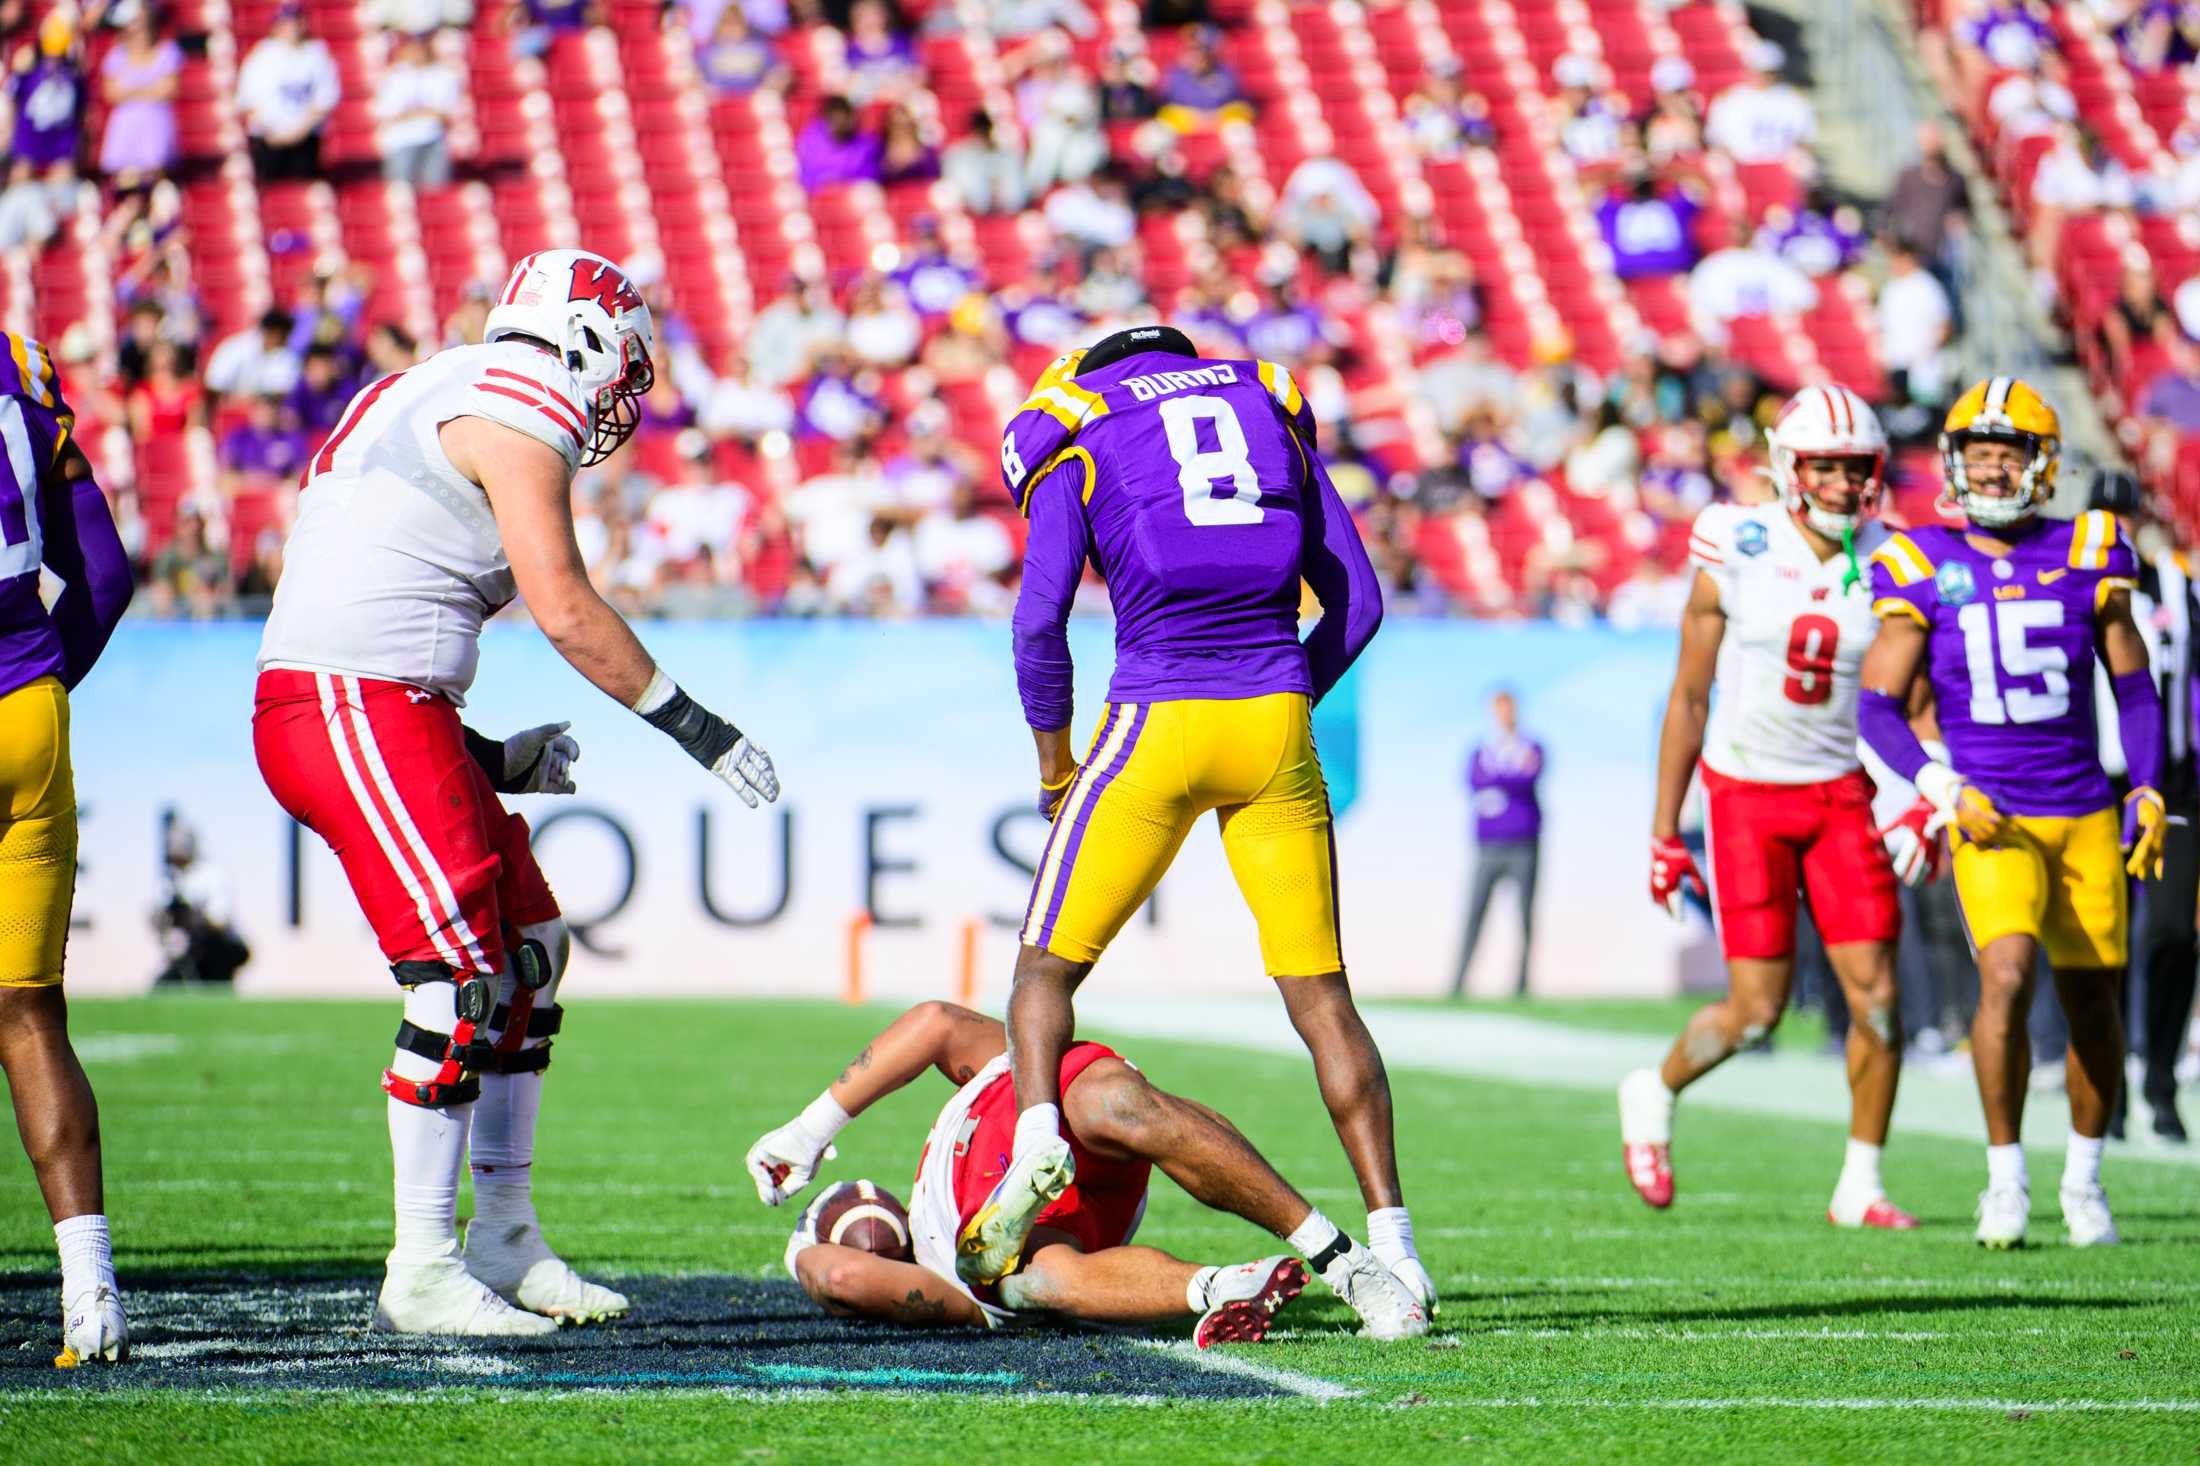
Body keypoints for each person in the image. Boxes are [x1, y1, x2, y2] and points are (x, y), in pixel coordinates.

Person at [250, 249, 783, 1334]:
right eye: (623, 371)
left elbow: (383, 593)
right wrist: (701, 728)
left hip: (387, 707)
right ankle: (424, 1263)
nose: (621, 401)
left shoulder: (436, 381)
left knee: (531, 946)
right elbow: (566, 606)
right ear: (584, 343)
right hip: (350, 704)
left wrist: (490, 760)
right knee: (456, 979)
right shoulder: (521, 398)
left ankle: (503, 1229)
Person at [976, 326, 1429, 1340]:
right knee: (1321, 997)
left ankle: (1038, 1136)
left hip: (1156, 717)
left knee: (1043, 972)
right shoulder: (1265, 397)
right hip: (1271, 714)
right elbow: (1355, 602)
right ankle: (1396, 1242)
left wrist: (1055, 765)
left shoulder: (1077, 422)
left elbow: (1038, 618)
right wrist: (1272, 693)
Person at [1857, 378, 2165, 1249]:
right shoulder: (1921, 562)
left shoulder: (2091, 549)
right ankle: (2005, 1179)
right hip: (1990, 812)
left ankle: (2084, 1177)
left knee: (2094, 1001)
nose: (1990, 470)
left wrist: (2146, 786)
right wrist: (1942, 787)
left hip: (2082, 811)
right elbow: (1877, 706)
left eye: (2007, 453)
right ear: (1953, 462)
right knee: (2005, 976)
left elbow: (2133, 686)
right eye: (1977, 453)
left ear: (2042, 463)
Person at [1620, 386, 1927, 1231]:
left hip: (1842, 792)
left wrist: (1918, 792)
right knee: (1757, 1011)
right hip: (1747, 790)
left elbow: (1916, 696)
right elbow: (1689, 695)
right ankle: (1656, 1087)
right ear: (1790, 469)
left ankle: (1860, 1182)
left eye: (1853, 468)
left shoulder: (1897, 555)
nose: (1838, 485)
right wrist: (1662, 830)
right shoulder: (1736, 541)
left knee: (1879, 1000)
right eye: (1823, 467)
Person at [746, 1001, 1407, 1343]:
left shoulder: (940, 1174)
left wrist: (808, 1139)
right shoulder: (936, 1282)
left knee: (1039, 1276)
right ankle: (1226, 1286)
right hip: (1028, 1228)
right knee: (1038, 1281)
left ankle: (1266, 1269)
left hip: (1037, 1102)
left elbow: (936, 1025)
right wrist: (806, 1230)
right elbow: (840, 1271)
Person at [0, 331, 137, 1366]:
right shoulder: (22, 363)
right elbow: (105, 572)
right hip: (27, 710)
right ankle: (90, 1296)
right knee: (32, 1014)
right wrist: (46, 686)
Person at [1450, 688, 1544, 998]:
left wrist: (1498, 778)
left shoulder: (1531, 747)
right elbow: (1474, 781)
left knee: (1525, 915)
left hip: (1523, 843)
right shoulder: (1483, 751)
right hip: (1489, 844)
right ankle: (1459, 982)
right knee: (1475, 912)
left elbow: (1527, 780)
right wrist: (1509, 775)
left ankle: (1521, 984)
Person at [237, 3, 340, 183]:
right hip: (268, 139)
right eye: (287, 22)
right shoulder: (261, 55)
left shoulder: (317, 54)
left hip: (305, 139)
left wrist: (298, 132)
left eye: (296, 21)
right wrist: (272, 131)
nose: (292, 27)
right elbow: (247, 101)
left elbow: (325, 99)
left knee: (303, 192)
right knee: (270, 193)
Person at [151, 813, 250, 988]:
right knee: (162, 989)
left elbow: (220, 921)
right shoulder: (171, 879)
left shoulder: (211, 875)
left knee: (215, 983)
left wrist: (192, 914)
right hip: (187, 953)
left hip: (220, 949)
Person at [373, 31, 461, 187]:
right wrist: (423, 112)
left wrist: (411, 113)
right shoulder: (394, 76)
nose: (417, 53)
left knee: (435, 191)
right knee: (401, 190)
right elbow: (387, 113)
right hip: (401, 141)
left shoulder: (443, 74)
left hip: (433, 138)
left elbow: (445, 113)